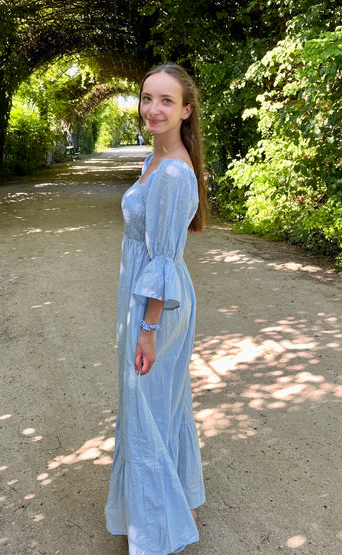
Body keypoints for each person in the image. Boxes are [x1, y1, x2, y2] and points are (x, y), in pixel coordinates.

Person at [105, 63, 209, 555]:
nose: (153, 109)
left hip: (157, 308)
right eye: (147, 98)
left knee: (144, 407)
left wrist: (146, 329)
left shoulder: (171, 172)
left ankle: (158, 530)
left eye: (166, 100)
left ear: (186, 110)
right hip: (146, 299)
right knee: (163, 402)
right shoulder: (156, 158)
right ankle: (179, 502)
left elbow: (163, 261)